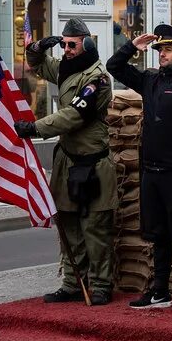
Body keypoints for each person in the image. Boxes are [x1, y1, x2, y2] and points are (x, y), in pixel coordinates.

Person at [106, 24, 172, 313]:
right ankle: (160, 290)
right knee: (158, 235)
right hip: (151, 172)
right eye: (159, 50)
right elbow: (114, 66)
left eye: (167, 50)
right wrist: (132, 46)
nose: (161, 54)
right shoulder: (151, 81)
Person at [17, 19, 116, 305]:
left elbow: (74, 115)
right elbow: (37, 64)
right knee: (69, 226)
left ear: (86, 43)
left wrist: (36, 128)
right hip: (68, 162)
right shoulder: (65, 70)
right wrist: (37, 48)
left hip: (94, 163)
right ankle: (73, 283)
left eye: (72, 44)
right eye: (63, 44)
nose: (67, 49)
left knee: (95, 229)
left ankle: (100, 285)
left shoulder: (97, 79)